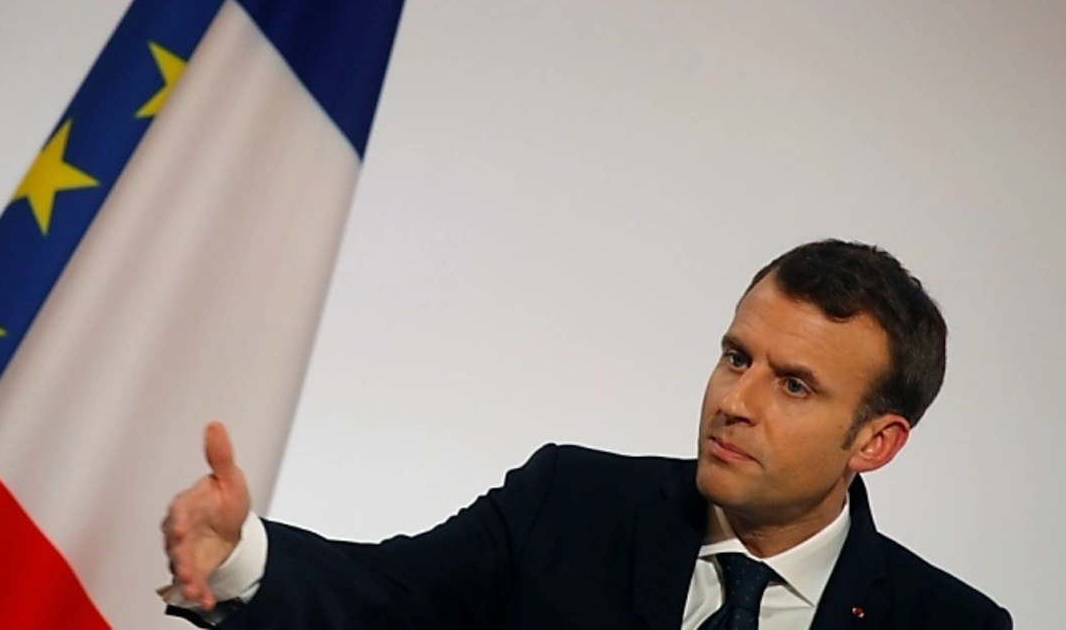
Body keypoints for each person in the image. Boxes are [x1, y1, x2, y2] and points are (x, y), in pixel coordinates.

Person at [159, 239, 1012, 629]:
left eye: (793, 385)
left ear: (875, 443)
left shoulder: (952, 626)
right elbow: (386, 600)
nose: (735, 401)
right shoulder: (567, 504)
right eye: (735, 357)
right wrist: (240, 555)